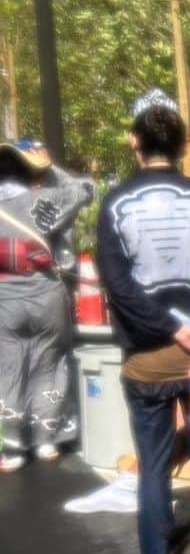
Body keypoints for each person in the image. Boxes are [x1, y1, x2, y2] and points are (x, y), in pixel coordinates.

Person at [97, 93, 190, 554]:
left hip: (148, 363)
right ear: (179, 145)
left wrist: (165, 326)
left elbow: (118, 282)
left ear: (135, 141)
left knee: (153, 468)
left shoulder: (115, 202)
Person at [0, 139, 94, 471]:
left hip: (4, 297)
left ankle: (12, 447)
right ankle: (46, 440)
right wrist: (47, 164)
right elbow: (83, 190)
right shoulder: (42, 201)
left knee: (8, 368)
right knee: (49, 364)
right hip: (45, 293)